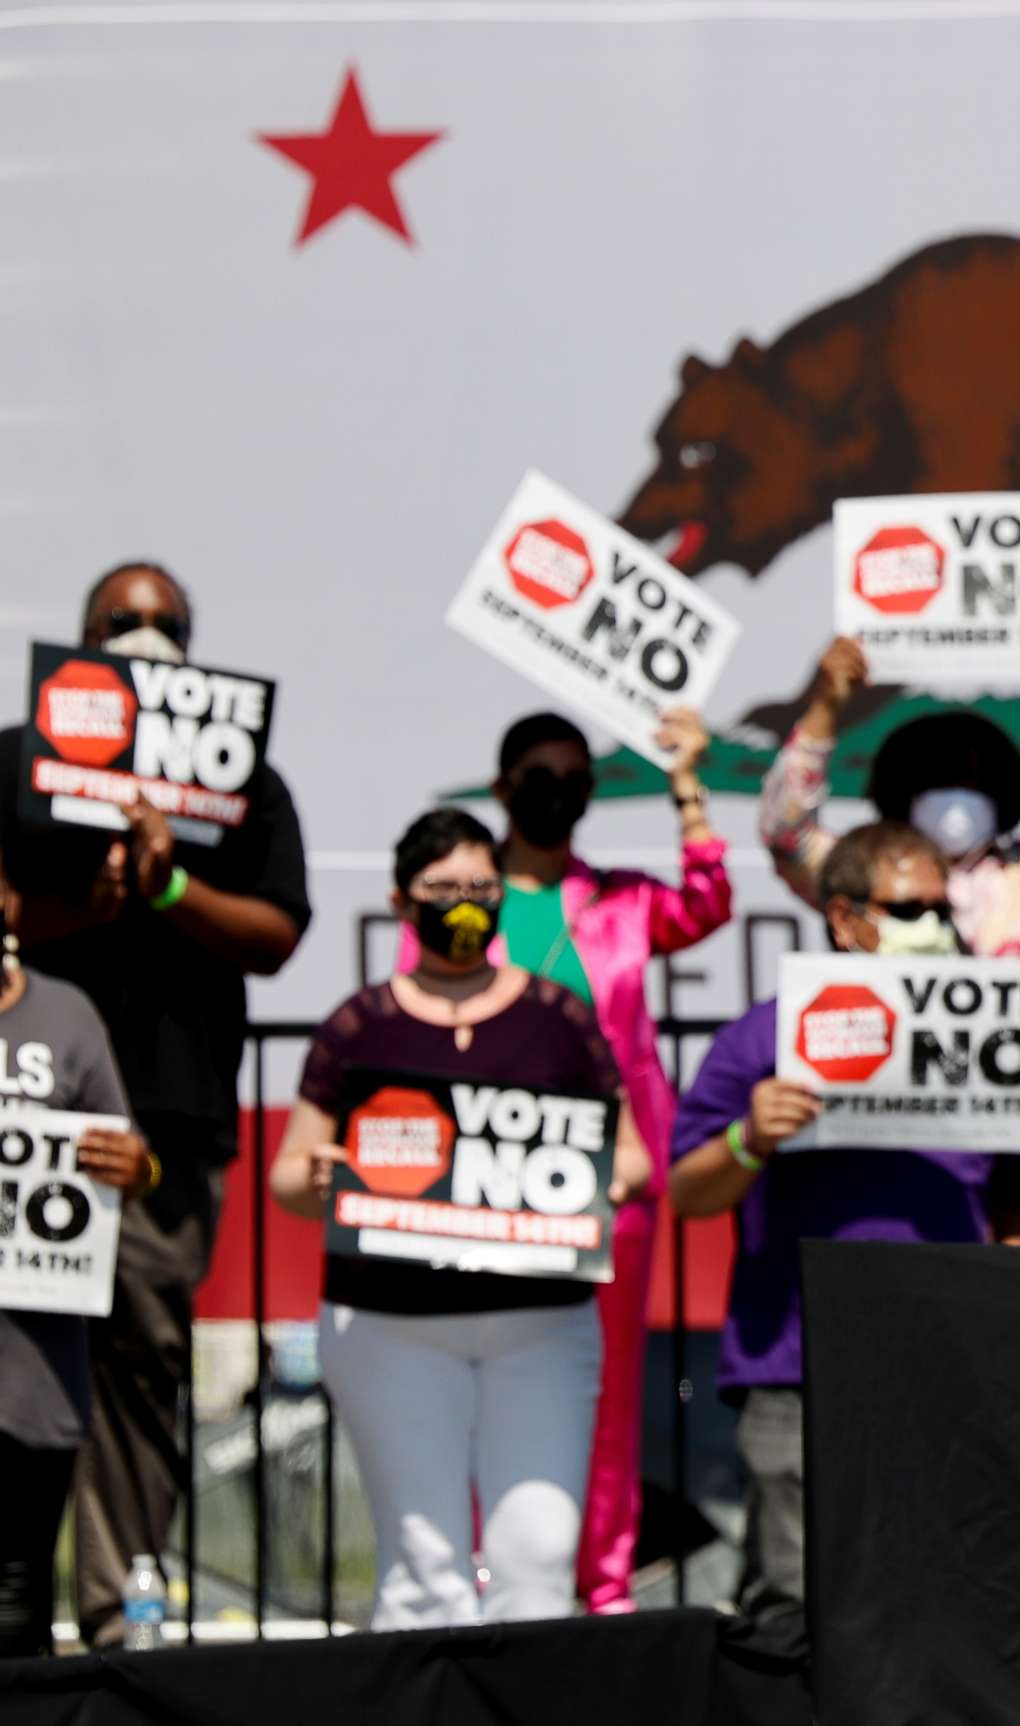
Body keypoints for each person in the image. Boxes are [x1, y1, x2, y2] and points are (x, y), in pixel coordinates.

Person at [0, 562, 313, 1645]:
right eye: (119, 624)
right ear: (80, 640)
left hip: (166, 1128)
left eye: (165, 624)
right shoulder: (16, 759)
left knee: (139, 1362)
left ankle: (117, 1613)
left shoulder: (243, 782)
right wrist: (77, 907)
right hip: (18, 1120)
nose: (144, 636)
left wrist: (174, 887)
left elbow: (277, 934)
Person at [268, 810, 651, 1630]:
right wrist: (324, 1178)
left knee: (539, 1554)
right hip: (391, 1325)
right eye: (444, 889)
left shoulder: (558, 1017)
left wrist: (594, 1185)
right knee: (423, 1567)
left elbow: (633, 1158)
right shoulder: (359, 1023)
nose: (465, 905)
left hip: (539, 1324)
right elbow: (290, 1177)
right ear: (403, 903)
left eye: (482, 886)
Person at [667, 821, 1020, 1649]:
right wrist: (747, 1138)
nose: (935, 927)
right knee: (797, 1617)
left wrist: (1009, 1301)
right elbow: (687, 1194)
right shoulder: (763, 1038)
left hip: (947, 1369)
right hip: (797, 1371)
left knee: (947, 1608)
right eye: (910, 907)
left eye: (942, 909)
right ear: (845, 919)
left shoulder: (979, 1030)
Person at [393, 709, 734, 1614]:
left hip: (606, 1178)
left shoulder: (620, 900)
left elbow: (707, 902)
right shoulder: (465, 900)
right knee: (485, 1374)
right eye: (539, 773)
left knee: (610, 1387)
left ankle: (604, 1581)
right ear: (503, 788)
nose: (558, 790)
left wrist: (687, 784)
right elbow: (416, 1007)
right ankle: (481, 1579)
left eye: (575, 774)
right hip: (488, 1173)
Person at [758, 639, 1020, 959]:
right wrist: (826, 707)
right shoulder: (861, 869)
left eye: (975, 779)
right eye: (934, 777)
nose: (955, 793)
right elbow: (786, 835)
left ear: (1005, 790)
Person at [0, 843, 158, 1658]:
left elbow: (132, 1156)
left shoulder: (66, 1016)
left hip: (32, 1370)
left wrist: (138, 1165)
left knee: (19, 1601)